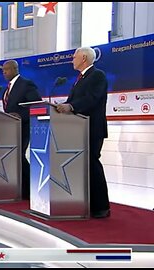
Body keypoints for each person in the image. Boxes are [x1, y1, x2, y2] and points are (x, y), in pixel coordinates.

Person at [56, 47, 110, 218]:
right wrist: (63, 105)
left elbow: (92, 98)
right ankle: (85, 203)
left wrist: (71, 106)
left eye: (74, 57)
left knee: (92, 164)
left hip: (93, 128)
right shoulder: (80, 78)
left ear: (84, 58)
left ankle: (101, 207)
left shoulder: (97, 75)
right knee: (83, 166)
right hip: (78, 128)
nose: (72, 59)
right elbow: (75, 100)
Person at [2, 60, 42, 200]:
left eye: (7, 69)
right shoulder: (7, 88)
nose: (4, 72)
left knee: (19, 155)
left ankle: (32, 187)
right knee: (14, 156)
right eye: (3, 70)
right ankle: (22, 188)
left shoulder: (26, 84)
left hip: (23, 126)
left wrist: (20, 115)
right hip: (11, 128)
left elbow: (36, 105)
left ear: (15, 69)